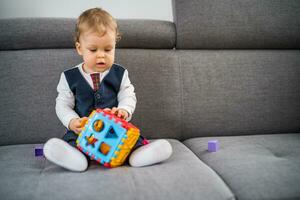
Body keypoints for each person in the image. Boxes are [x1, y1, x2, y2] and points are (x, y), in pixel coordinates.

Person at [43, 7, 173, 172]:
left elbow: (128, 96)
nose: (101, 55)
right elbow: (62, 105)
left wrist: (124, 110)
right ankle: (76, 158)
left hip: (114, 130)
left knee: (131, 139)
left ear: (115, 46)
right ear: (79, 48)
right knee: (72, 140)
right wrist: (72, 122)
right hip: (83, 132)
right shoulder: (69, 77)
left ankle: (138, 155)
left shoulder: (120, 73)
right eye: (93, 49)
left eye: (108, 49)